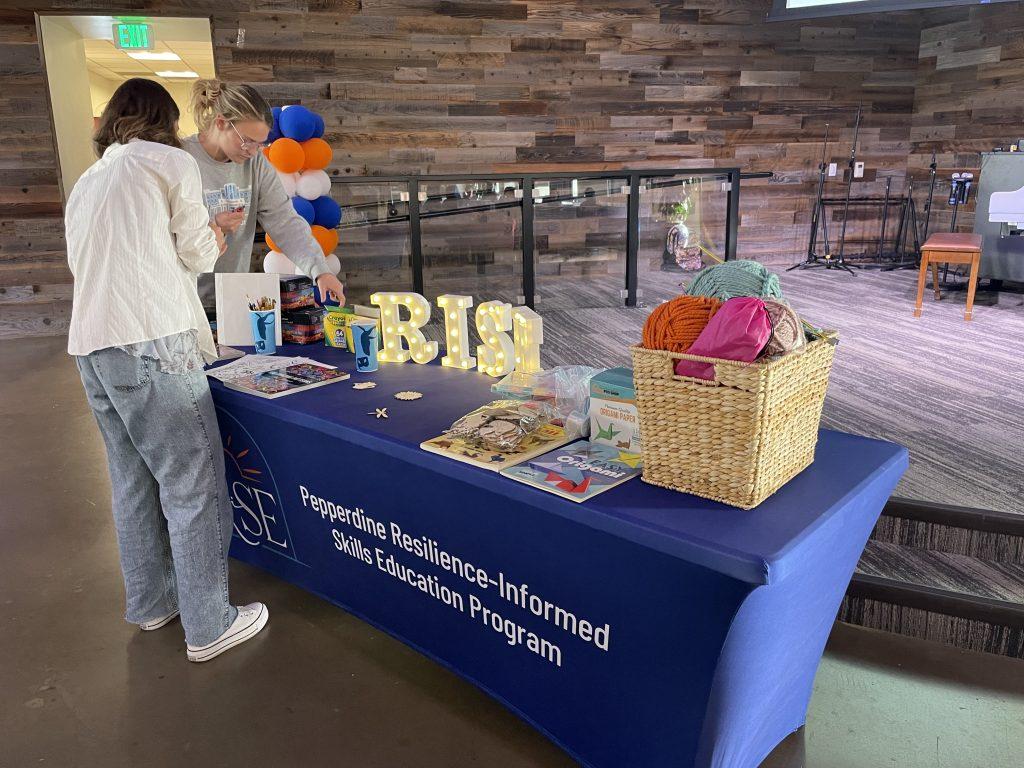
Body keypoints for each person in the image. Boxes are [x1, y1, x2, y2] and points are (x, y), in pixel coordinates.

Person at [66, 78, 268, 663]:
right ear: (166, 118)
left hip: (92, 345)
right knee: (193, 482)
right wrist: (220, 231)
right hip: (153, 340)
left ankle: (152, 603)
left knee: (131, 479)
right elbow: (197, 254)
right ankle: (209, 624)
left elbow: (82, 261)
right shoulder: (169, 162)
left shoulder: (91, 178)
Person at [182, 78, 345, 308]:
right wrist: (211, 225)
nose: (252, 151)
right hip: (183, 300)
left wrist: (320, 271)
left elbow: (285, 221)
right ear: (220, 123)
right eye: (247, 141)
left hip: (229, 296)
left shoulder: (255, 163)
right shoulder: (181, 157)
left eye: (260, 144)